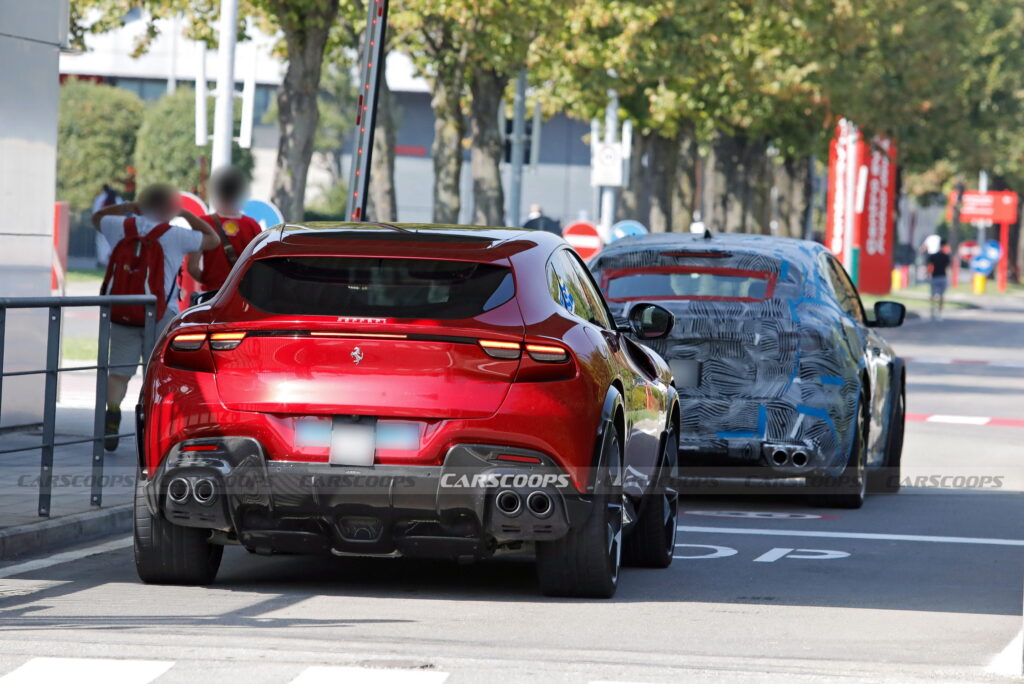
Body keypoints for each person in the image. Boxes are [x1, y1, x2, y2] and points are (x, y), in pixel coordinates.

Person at [92, 184, 219, 450]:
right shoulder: (175, 234)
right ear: (167, 207)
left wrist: (127, 208)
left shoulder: (119, 225)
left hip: (122, 308)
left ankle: (113, 410)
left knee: (118, 372)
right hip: (161, 312)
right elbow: (212, 239)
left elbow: (97, 219)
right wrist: (184, 213)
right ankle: (150, 423)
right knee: (156, 372)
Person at [186, 167, 263, 294]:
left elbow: (192, 267)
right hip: (242, 296)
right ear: (240, 193)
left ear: (216, 192)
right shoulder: (253, 225)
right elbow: (259, 267)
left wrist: (210, 282)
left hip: (212, 296)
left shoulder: (203, 223)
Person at [91, 184, 122, 267]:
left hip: (102, 223)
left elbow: (95, 211)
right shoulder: (117, 198)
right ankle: (111, 260)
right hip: (114, 224)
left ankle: (103, 261)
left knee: (101, 243)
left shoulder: (101, 198)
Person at [927, 239, 952, 321]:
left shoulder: (933, 256)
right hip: (942, 277)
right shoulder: (946, 256)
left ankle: (932, 312)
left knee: (933, 295)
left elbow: (929, 267)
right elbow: (948, 268)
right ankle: (939, 314)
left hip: (934, 277)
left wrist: (928, 275)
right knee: (941, 296)